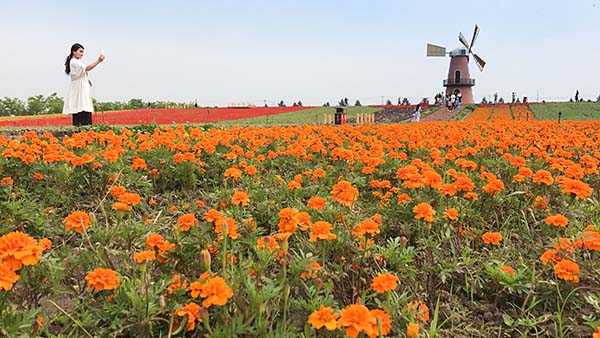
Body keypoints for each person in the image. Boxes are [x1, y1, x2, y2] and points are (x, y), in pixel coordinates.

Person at [62, 43, 105, 126]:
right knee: (81, 105)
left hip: (80, 86)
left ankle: (83, 126)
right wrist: (98, 61)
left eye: (82, 52)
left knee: (82, 105)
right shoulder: (74, 61)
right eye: (80, 51)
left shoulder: (76, 62)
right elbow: (87, 68)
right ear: (73, 52)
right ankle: (83, 126)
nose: (82, 54)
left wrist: (87, 79)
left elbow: (80, 73)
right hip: (79, 87)